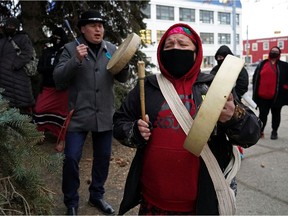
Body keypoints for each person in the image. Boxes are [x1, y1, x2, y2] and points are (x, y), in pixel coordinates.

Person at [113, 23, 262, 215]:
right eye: (169, 45)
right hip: (153, 202)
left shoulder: (214, 87)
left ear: (196, 52)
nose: (175, 48)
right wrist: (134, 131)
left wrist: (232, 117)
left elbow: (252, 134)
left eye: (183, 45)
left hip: (201, 205)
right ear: (161, 52)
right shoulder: (147, 87)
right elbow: (119, 122)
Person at [53, 10, 130, 215]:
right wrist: (76, 60)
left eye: (101, 25)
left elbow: (122, 77)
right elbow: (58, 79)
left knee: (103, 158)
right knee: (71, 158)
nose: (98, 29)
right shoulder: (71, 49)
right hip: (78, 116)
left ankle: (97, 196)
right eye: (93, 25)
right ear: (82, 29)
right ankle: (71, 201)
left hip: (104, 114)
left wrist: (125, 61)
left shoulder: (111, 49)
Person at [33, 27, 69, 152]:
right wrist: (49, 70)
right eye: (54, 36)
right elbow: (40, 67)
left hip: (62, 89)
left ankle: (62, 139)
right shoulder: (47, 51)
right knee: (39, 109)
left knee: (62, 115)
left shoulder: (67, 51)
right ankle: (39, 135)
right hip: (47, 87)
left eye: (58, 37)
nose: (56, 39)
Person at [210, 45, 249, 158]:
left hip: (234, 103)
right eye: (219, 57)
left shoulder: (238, 68)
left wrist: (234, 96)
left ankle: (238, 152)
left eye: (223, 57)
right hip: (216, 104)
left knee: (235, 128)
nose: (220, 59)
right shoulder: (215, 69)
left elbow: (243, 84)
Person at [0, 17, 35, 114]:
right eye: (8, 25)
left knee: (22, 111)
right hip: (3, 80)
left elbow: (28, 53)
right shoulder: (2, 40)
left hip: (19, 77)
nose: (9, 27)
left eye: (12, 26)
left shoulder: (22, 38)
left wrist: (15, 64)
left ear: (17, 27)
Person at [252, 46, 288, 140]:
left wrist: (285, 87)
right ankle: (260, 131)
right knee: (262, 115)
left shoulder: (284, 65)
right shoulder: (262, 64)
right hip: (262, 97)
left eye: (276, 51)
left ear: (279, 54)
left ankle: (274, 131)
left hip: (277, 96)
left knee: (276, 115)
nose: (274, 52)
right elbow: (255, 78)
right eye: (272, 51)